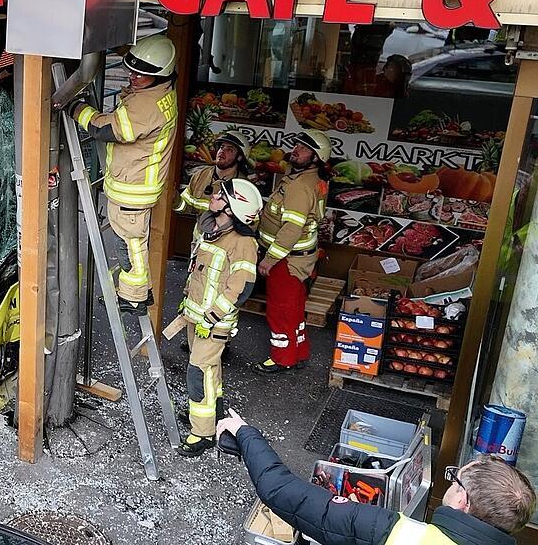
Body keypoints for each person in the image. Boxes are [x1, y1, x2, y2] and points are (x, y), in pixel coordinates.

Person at [217, 410, 536, 545]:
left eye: (455, 480)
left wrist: (246, 434)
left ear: (464, 501)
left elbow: (283, 493)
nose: (450, 484)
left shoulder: (399, 535)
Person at [73, 33, 179, 315]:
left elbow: (104, 129)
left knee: (130, 246)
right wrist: (113, 42)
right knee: (132, 243)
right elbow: (140, 59)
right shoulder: (161, 87)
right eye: (132, 69)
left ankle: (133, 297)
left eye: (140, 75)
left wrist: (75, 108)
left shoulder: (145, 107)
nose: (133, 76)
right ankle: (133, 290)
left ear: (157, 76)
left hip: (131, 190)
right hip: (137, 184)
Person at [166, 179, 262, 457]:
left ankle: (203, 432)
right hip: (196, 317)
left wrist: (213, 315)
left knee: (198, 373)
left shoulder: (243, 243)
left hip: (213, 323)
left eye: (222, 195)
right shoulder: (211, 231)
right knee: (210, 372)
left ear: (233, 209)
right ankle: (213, 415)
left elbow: (240, 287)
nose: (214, 196)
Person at [254, 129, 331, 374]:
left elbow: (290, 229)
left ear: (316, 158)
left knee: (280, 310)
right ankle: (299, 351)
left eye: (304, 149)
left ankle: (282, 357)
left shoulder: (299, 187)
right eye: (296, 145)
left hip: (287, 261)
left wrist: (270, 258)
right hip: (300, 259)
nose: (296, 150)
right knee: (295, 308)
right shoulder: (306, 179)